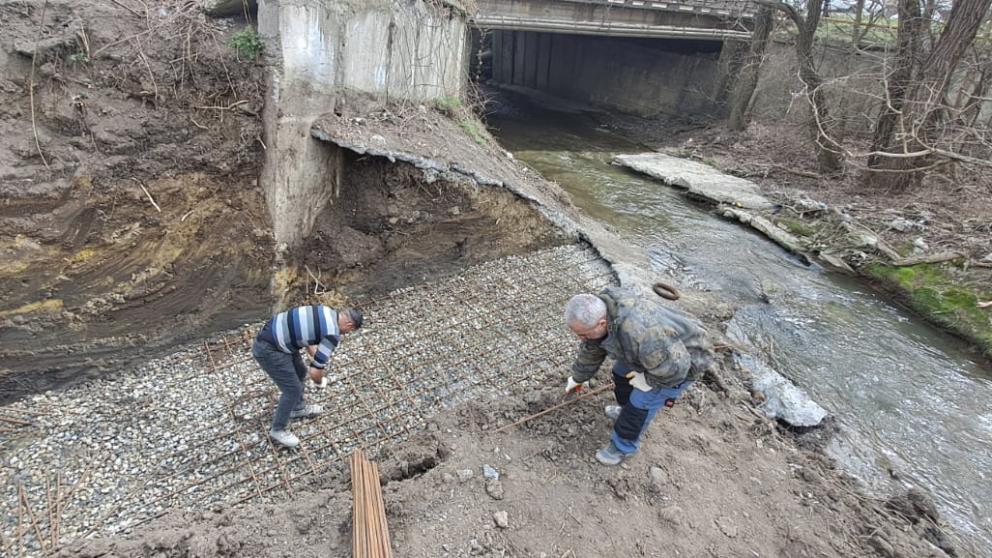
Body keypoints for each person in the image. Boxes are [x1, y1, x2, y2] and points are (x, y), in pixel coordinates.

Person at [563, 287, 713, 466]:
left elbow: (676, 368)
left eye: (583, 334)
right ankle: (625, 410)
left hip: (682, 364)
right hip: (654, 355)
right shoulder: (606, 308)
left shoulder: (643, 332)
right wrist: (578, 377)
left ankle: (623, 447)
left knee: (640, 403)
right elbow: (593, 347)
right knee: (621, 373)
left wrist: (648, 381)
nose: (581, 339)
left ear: (602, 323)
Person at [252, 305, 364, 448]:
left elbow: (307, 337)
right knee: (292, 390)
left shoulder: (325, 310)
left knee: (300, 372)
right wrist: (320, 381)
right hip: (270, 350)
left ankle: (297, 408)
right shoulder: (332, 333)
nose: (346, 333)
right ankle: (278, 430)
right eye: (349, 331)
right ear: (349, 324)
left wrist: (317, 356)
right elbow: (315, 372)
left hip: (274, 336)